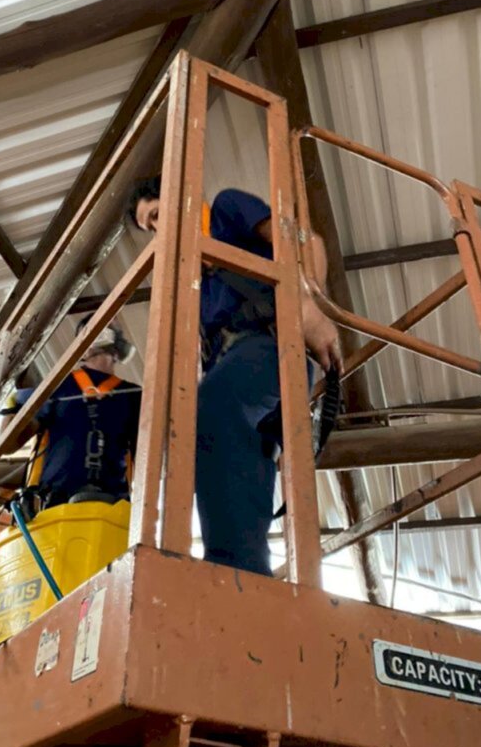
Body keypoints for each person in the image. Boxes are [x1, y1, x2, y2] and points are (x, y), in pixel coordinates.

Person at [129, 178, 341, 577]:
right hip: (238, 371)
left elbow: (306, 243)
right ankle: (248, 576)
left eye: (156, 214)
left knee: (211, 410)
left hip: (272, 348)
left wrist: (309, 307)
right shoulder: (194, 278)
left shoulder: (226, 210)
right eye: (148, 227)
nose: (157, 229)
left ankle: (228, 570)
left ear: (179, 194)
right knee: (235, 456)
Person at [2, 316, 141, 513]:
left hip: (112, 508)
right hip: (54, 505)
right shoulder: (56, 385)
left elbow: (147, 460)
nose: (102, 332)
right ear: (81, 348)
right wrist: (13, 407)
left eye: (108, 328)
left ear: (119, 349)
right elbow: (8, 445)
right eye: (93, 329)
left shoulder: (133, 395)